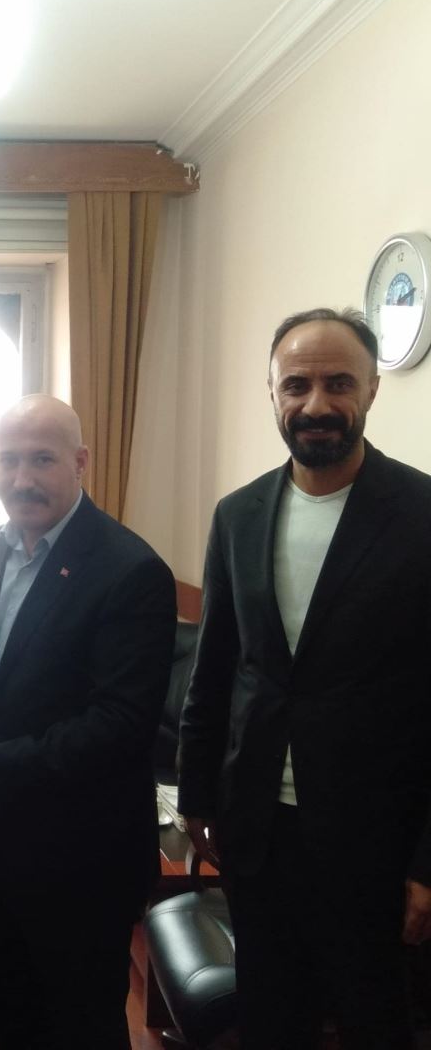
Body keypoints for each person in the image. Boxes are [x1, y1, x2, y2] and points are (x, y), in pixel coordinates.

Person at [177, 308, 431, 1048]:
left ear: (372, 390)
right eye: (297, 385)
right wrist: (195, 796)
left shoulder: (421, 516)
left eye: (338, 383)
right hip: (259, 832)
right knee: (271, 1019)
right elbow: (215, 669)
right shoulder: (238, 516)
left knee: (375, 1023)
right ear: (273, 393)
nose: (316, 404)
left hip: (376, 841)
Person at [0, 394, 176, 1049]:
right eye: (8, 461)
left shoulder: (132, 571)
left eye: (41, 460)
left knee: (79, 1028)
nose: (22, 479)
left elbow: (119, 726)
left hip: (82, 862)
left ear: (80, 463)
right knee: (4, 1018)